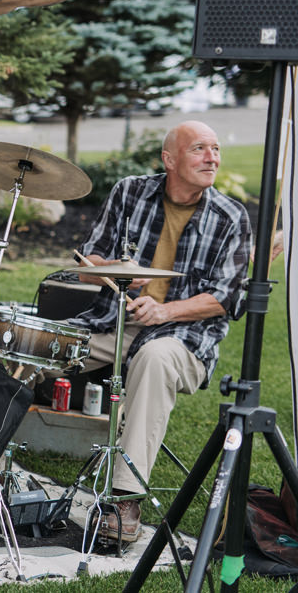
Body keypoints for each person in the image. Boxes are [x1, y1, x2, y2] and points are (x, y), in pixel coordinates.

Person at [70, 120, 251, 543]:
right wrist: (115, 272)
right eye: (200, 149)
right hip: (113, 322)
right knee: (24, 342)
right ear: (169, 159)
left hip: (184, 338)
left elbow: (224, 298)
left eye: (216, 149)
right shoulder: (129, 192)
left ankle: (123, 498)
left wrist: (166, 311)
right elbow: (87, 266)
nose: (212, 158)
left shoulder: (231, 216)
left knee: (153, 359)